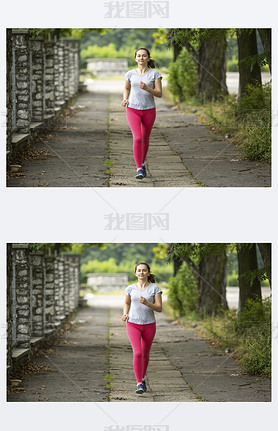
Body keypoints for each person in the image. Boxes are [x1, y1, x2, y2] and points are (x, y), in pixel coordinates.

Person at [121, 48, 163, 179]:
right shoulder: (130, 74)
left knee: (145, 139)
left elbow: (159, 93)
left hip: (149, 110)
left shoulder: (155, 74)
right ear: (135, 58)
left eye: (144, 56)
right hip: (133, 109)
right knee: (137, 138)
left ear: (148, 58)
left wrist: (147, 88)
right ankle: (139, 168)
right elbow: (126, 88)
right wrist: (125, 98)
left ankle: (142, 163)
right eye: (138, 56)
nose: (141, 58)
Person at [121, 262, 162, 394]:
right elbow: (127, 302)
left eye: (144, 270)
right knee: (137, 352)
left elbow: (159, 308)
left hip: (149, 324)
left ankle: (142, 378)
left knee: (145, 354)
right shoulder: (130, 288)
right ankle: (139, 383)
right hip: (133, 324)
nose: (141, 273)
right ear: (135, 273)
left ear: (148, 273)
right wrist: (125, 313)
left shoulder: (155, 289)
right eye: (139, 270)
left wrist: (147, 303)